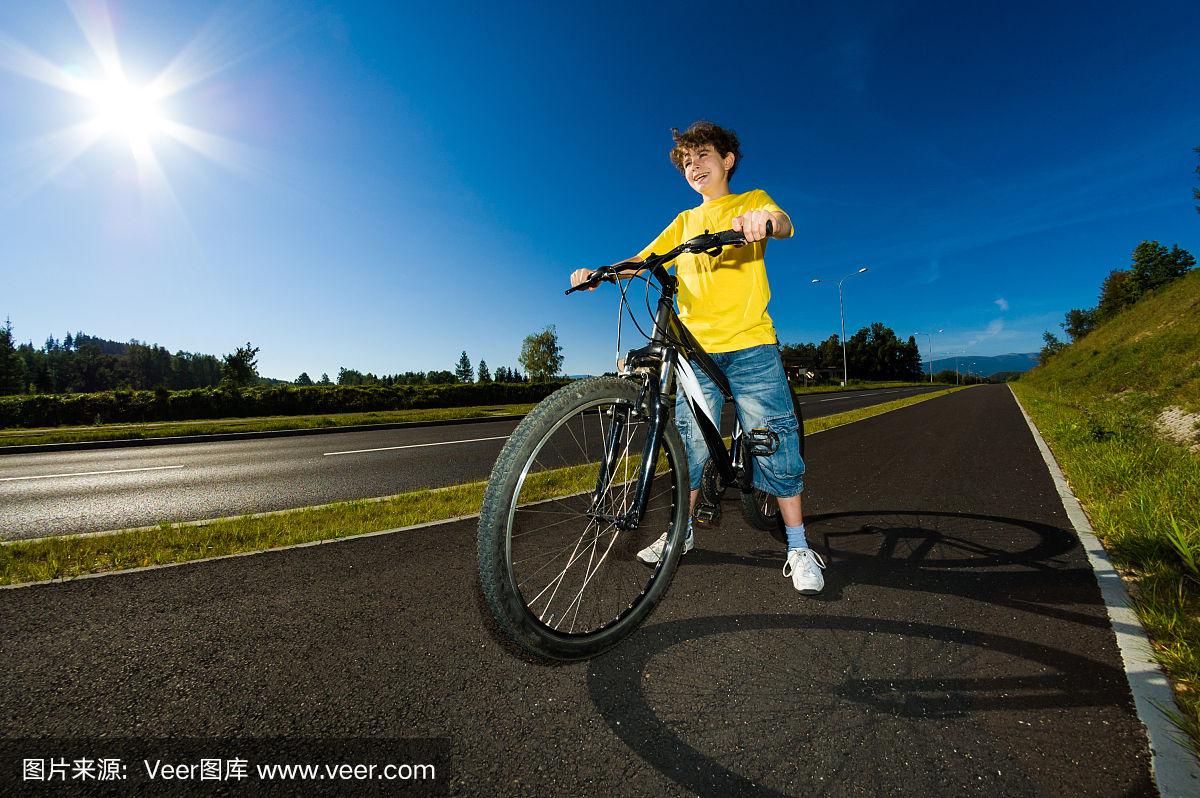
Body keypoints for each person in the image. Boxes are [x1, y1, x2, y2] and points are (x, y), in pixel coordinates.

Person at [569, 120, 824, 595]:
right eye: (687, 162)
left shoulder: (749, 202)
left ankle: (797, 545)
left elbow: (783, 222)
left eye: (702, 156)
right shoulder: (684, 222)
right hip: (696, 351)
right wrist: (601, 273)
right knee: (689, 445)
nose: (694, 167)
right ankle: (681, 532)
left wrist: (762, 223)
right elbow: (644, 259)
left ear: (727, 160)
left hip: (749, 342)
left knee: (773, 437)